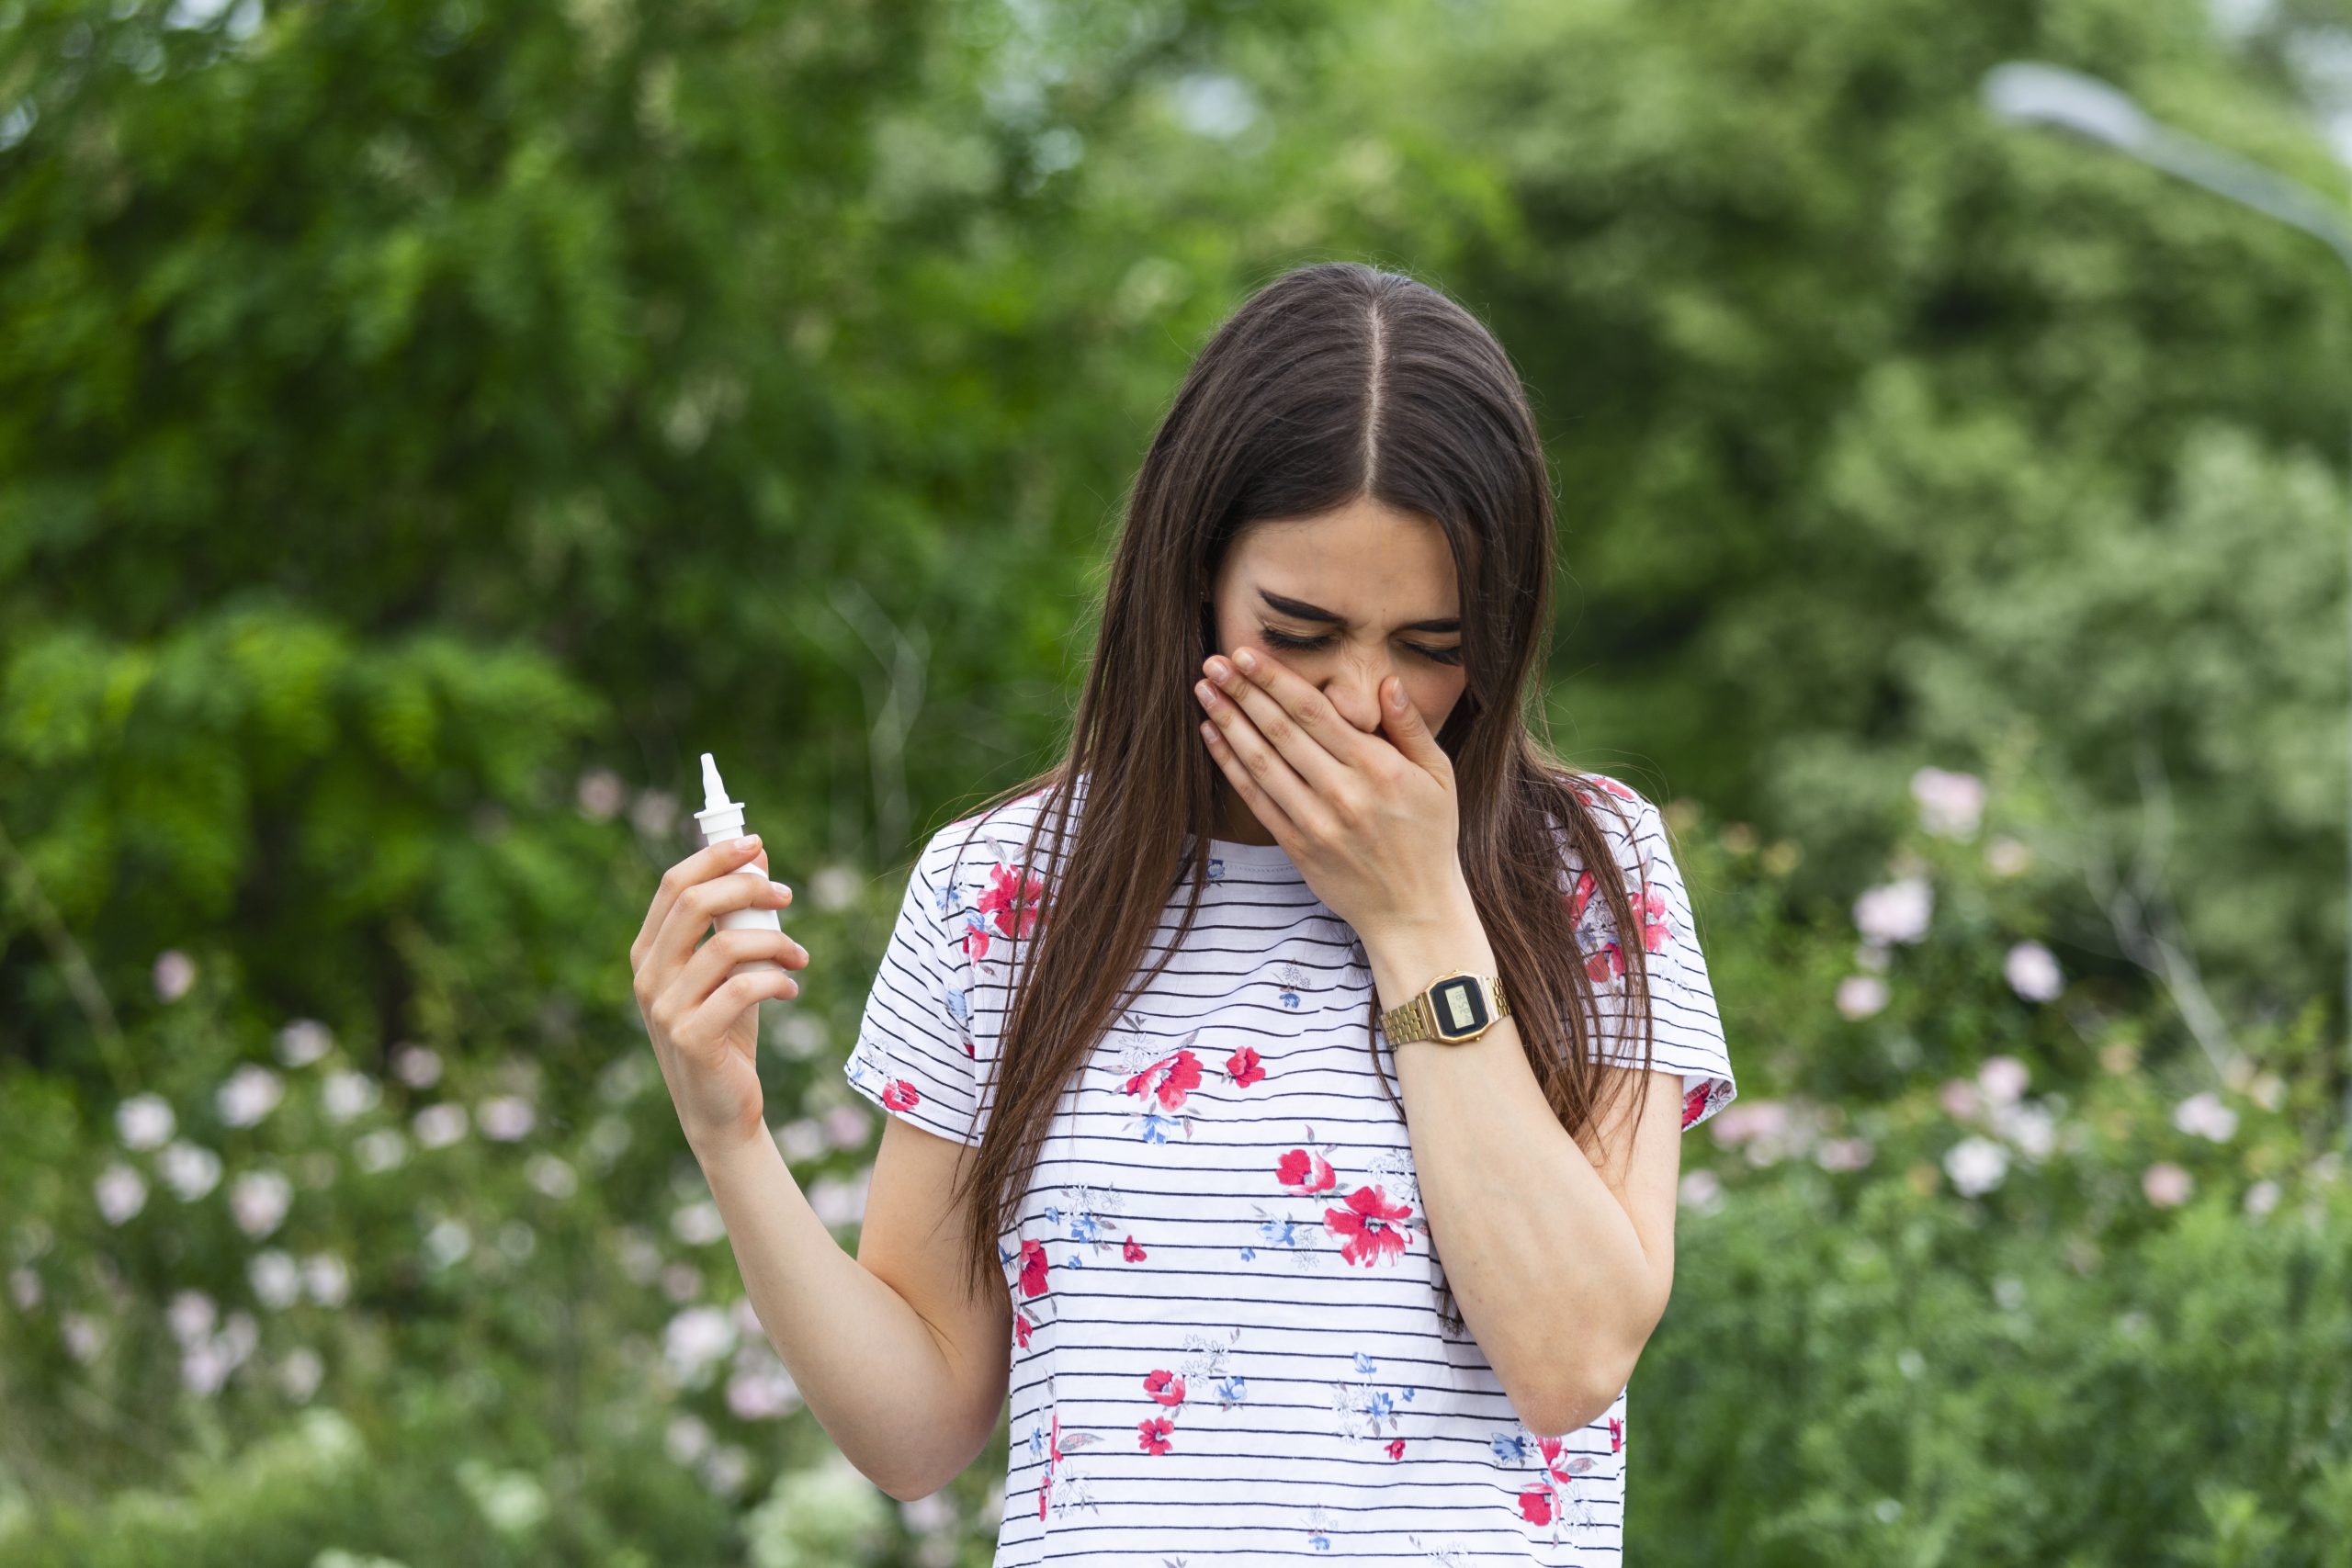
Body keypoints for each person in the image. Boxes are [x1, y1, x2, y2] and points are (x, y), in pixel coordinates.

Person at [629, 260, 1737, 1564]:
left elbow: (1570, 1358)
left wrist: (1420, 915)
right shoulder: (1009, 888)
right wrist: (731, 1133)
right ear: (1195, 580)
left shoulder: (1590, 874)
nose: (1360, 699)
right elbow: (918, 1428)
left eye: (1432, 646)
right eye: (1301, 630)